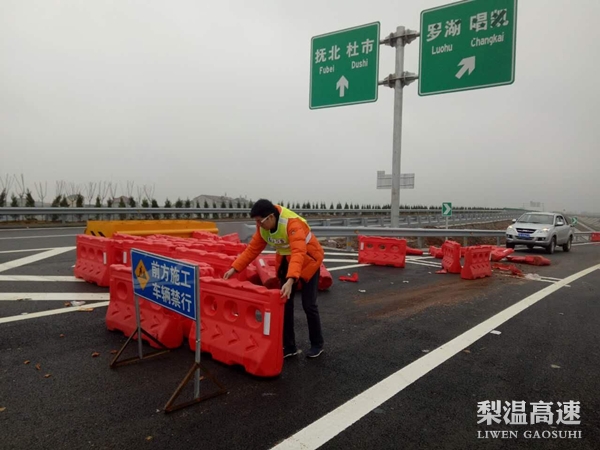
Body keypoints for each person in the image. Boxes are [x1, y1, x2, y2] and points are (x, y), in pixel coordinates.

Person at [223, 199, 325, 358]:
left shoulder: (292, 224)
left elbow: (298, 252)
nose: (258, 225)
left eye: (260, 221)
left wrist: (291, 280)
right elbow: (252, 249)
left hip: (309, 261)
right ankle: (289, 346)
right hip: (286, 261)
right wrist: (234, 268)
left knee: (309, 305)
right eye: (256, 221)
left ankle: (317, 344)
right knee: (285, 304)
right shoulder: (263, 227)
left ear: (270, 217)